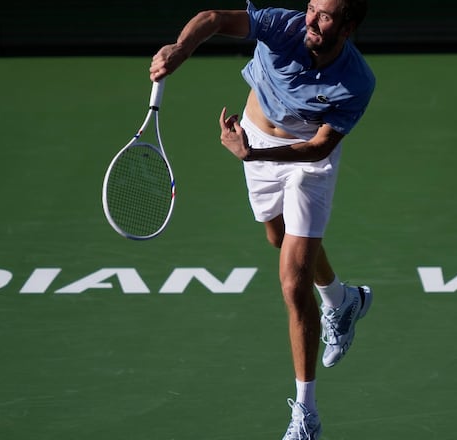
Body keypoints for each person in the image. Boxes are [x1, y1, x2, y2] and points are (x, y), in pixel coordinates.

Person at [150, 0, 375, 438]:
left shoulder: (356, 81)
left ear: (346, 29)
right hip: (252, 139)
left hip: (305, 161)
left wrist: (253, 154)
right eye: (311, 8)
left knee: (293, 283)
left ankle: (305, 415)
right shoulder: (282, 26)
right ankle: (341, 298)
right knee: (279, 238)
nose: (310, 19)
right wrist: (179, 49)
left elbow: (319, 148)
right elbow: (213, 19)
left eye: (324, 15)